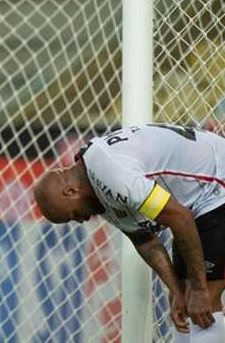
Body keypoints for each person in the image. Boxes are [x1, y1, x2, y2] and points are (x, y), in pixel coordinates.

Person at [33, 123, 225, 343]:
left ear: (70, 191)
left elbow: (180, 218)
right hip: (196, 201)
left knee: (203, 300)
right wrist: (177, 292)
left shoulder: (113, 175)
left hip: (217, 181)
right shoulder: (96, 188)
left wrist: (199, 288)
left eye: (72, 215)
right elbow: (146, 241)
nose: (79, 220)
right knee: (182, 302)